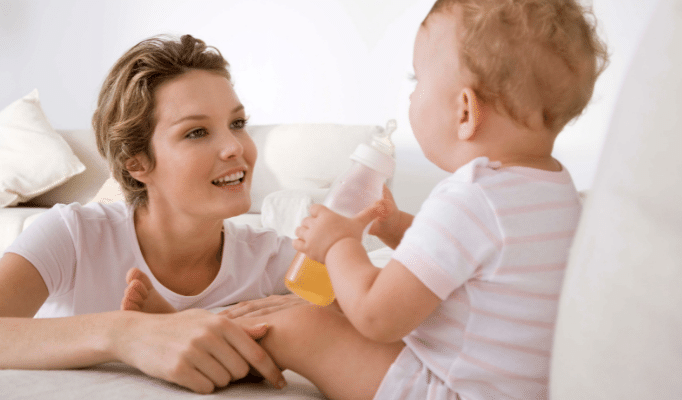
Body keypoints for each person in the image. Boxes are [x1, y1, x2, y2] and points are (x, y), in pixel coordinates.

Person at [126, 1, 610, 399]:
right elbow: (474, 257)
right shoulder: (556, 190)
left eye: (417, 79)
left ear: (465, 111)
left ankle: (196, 346)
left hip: (444, 389)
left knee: (304, 324)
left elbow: (378, 318)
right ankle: (201, 329)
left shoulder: (471, 194)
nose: (412, 94)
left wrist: (340, 244)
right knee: (322, 306)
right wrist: (397, 225)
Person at [0, 34, 305, 394]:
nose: (234, 147)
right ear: (136, 162)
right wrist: (123, 333)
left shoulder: (272, 258)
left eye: (237, 123)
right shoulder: (72, 235)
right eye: (196, 132)